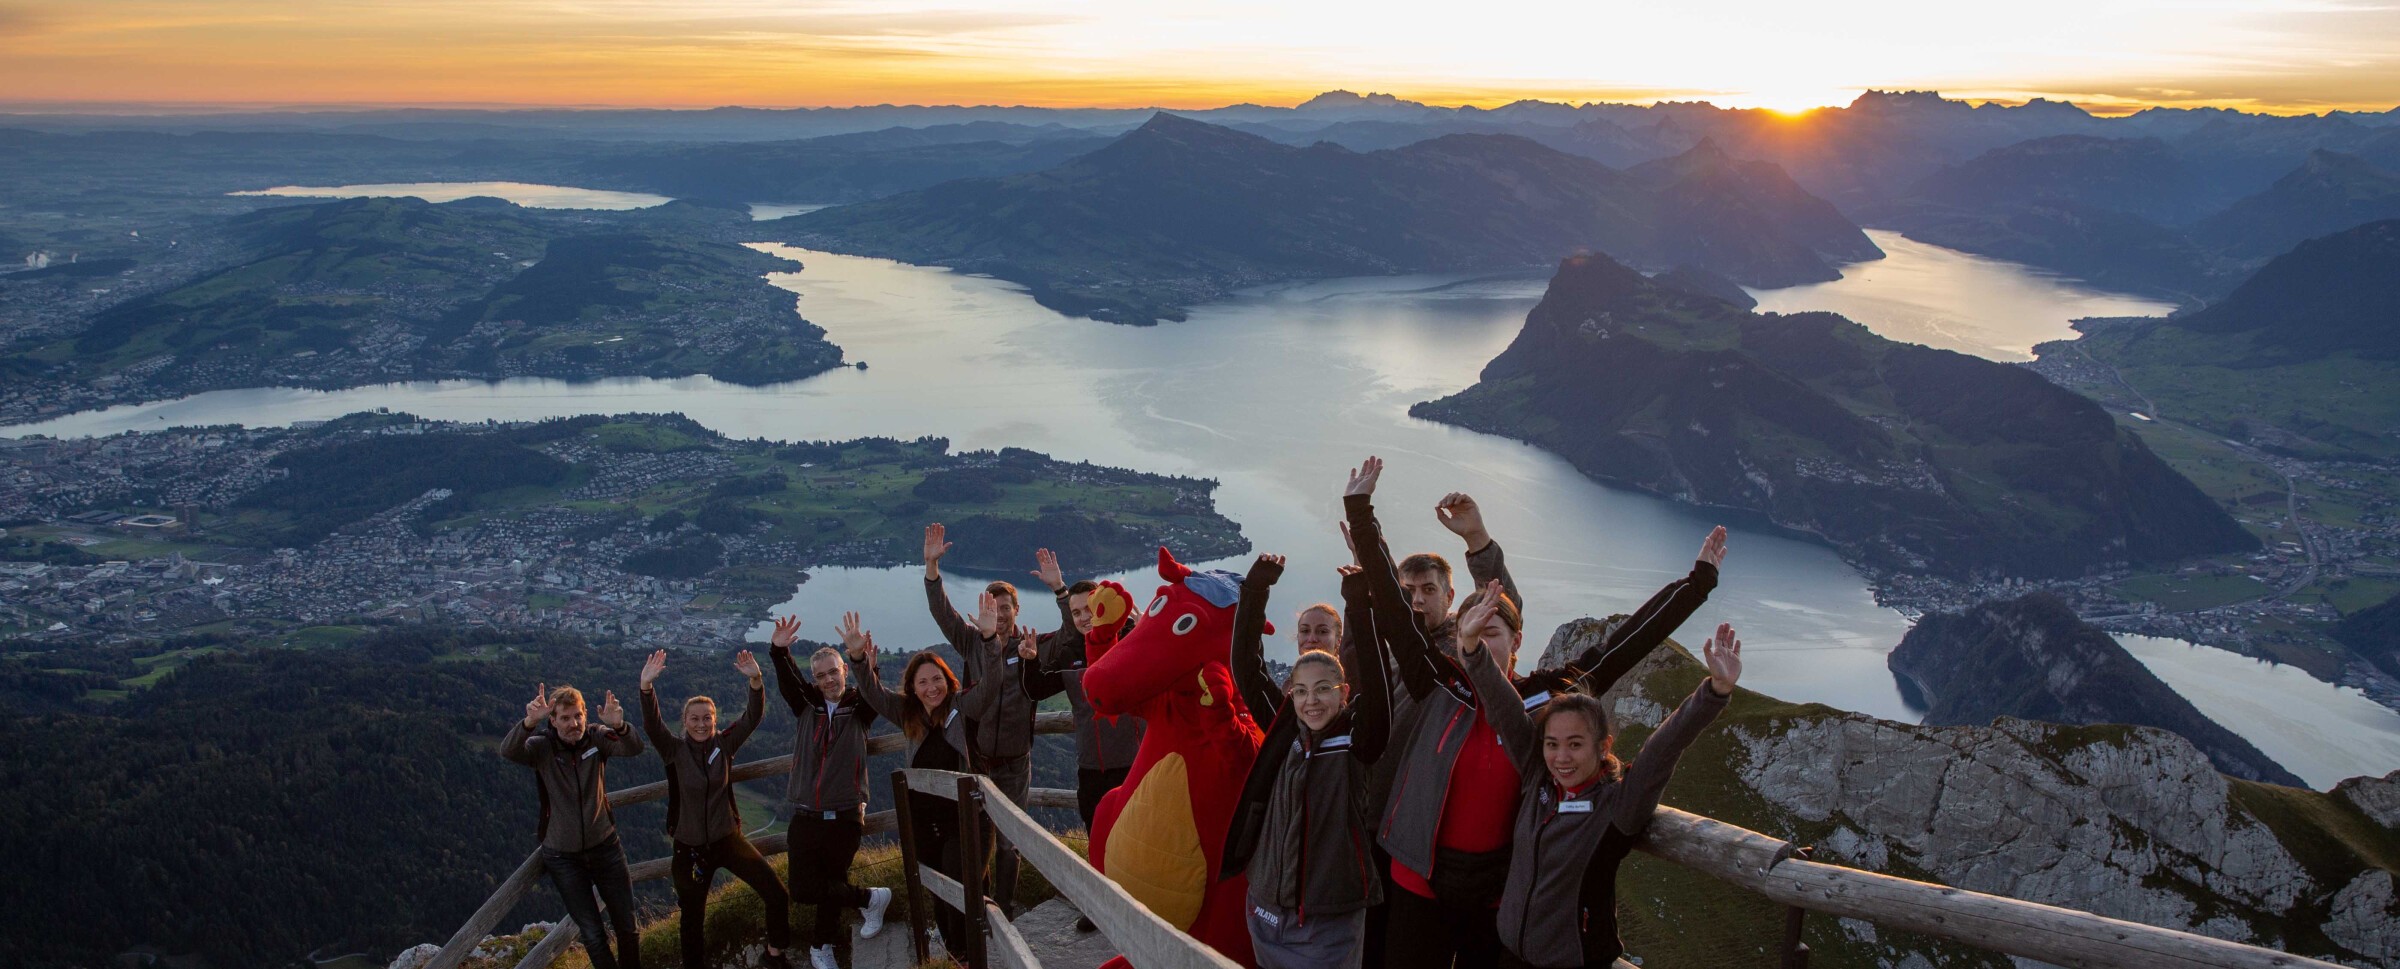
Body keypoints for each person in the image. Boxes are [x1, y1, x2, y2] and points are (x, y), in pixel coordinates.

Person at [1344, 456, 1726, 968]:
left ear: (1517, 639)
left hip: (1497, 893)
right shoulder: (1439, 680)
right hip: (1417, 878)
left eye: (1491, 630)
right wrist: (1361, 512)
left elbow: (1626, 643)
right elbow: (1392, 606)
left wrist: (1696, 584)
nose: (1477, 639)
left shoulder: (1548, 700)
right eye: (1468, 631)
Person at [1455, 584, 1741, 969]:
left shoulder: (1617, 806)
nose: (1561, 757)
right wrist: (1473, 649)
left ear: (1602, 747)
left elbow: (1662, 750)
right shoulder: (1539, 780)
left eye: (1575, 744)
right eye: (1552, 744)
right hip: (1509, 954)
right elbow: (1505, 706)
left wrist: (1714, 691)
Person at [1220, 553, 1390, 969]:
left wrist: (1361, 604)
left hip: (1327, 911)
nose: (1311, 701)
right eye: (1301, 692)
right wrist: (1255, 590)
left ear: (1344, 692)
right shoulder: (1284, 726)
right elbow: (1245, 664)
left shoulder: (1356, 737)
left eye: (1324, 690)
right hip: (1267, 905)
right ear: (1292, 693)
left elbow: (1376, 678)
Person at [923, 525, 1077, 911]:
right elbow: (942, 611)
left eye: (1006, 607)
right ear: (983, 612)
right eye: (992, 608)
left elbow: (1073, 633)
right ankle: (980, 903)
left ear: (1016, 609)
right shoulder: (972, 642)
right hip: (976, 762)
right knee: (974, 839)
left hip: (1014, 763)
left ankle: (1005, 907)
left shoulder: (1033, 645)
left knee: (1011, 843)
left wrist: (1061, 590)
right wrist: (931, 567)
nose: (1000, 614)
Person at [844, 613, 998, 967]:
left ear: (949, 679)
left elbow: (990, 686)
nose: (932, 688)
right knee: (936, 886)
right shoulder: (908, 714)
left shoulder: (963, 707)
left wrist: (990, 642)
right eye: (923, 682)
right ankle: (954, 949)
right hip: (925, 824)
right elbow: (873, 693)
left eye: (937, 679)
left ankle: (968, 950)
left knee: (959, 878)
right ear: (912, 688)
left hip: (967, 817)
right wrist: (857, 659)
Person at [636, 648, 792, 969]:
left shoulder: (724, 744)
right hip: (689, 849)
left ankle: (775, 955)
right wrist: (646, 688)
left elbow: (752, 718)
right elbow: (653, 726)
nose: (701, 723)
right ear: (685, 721)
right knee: (692, 919)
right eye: (694, 718)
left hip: (728, 841)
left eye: (707, 718)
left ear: (715, 720)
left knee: (776, 894)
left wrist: (755, 681)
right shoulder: (674, 750)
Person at [765, 616, 895, 969]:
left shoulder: (860, 707)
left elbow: (875, 692)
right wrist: (778, 650)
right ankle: (871, 898)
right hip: (806, 814)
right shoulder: (806, 705)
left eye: (832, 672)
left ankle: (821, 948)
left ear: (844, 672)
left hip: (845, 814)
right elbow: (788, 682)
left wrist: (863, 660)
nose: (827, 680)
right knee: (805, 889)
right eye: (820, 675)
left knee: (831, 884)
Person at [500, 683, 645, 969]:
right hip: (563, 857)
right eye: (564, 718)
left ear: (586, 714)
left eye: (577, 716)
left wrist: (620, 725)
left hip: (605, 846)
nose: (573, 723)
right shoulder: (542, 746)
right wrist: (529, 722)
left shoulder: (596, 737)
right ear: (552, 721)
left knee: (628, 926)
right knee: (592, 933)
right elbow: (509, 750)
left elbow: (634, 748)